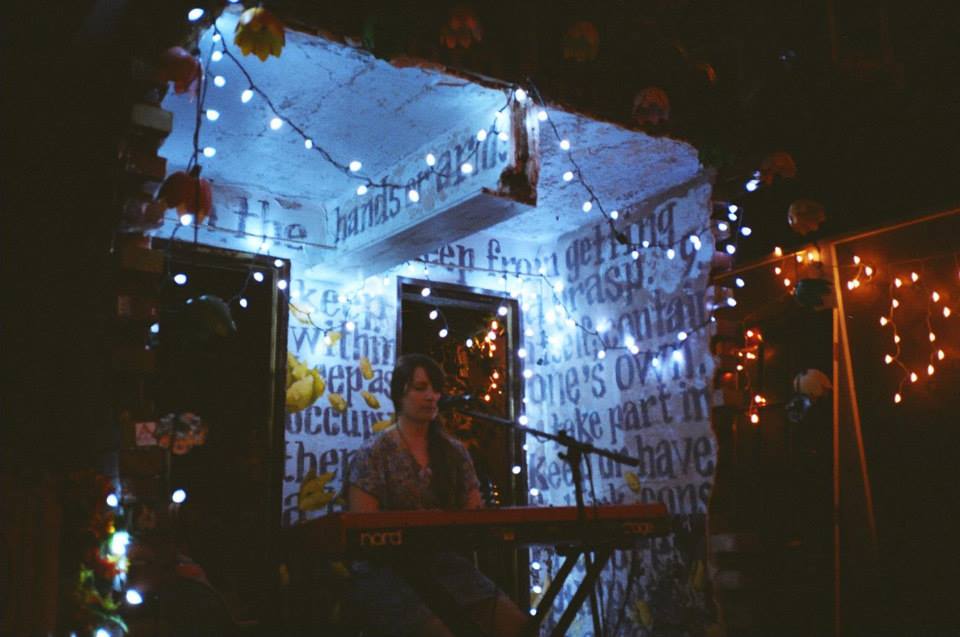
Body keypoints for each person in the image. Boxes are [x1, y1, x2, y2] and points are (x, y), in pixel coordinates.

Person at [346, 353, 529, 637]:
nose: (431, 396)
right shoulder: (374, 453)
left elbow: (473, 510)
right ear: (399, 394)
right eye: (420, 388)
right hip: (387, 570)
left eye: (435, 389)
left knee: (516, 625)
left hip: (443, 563)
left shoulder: (454, 452)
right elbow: (363, 525)